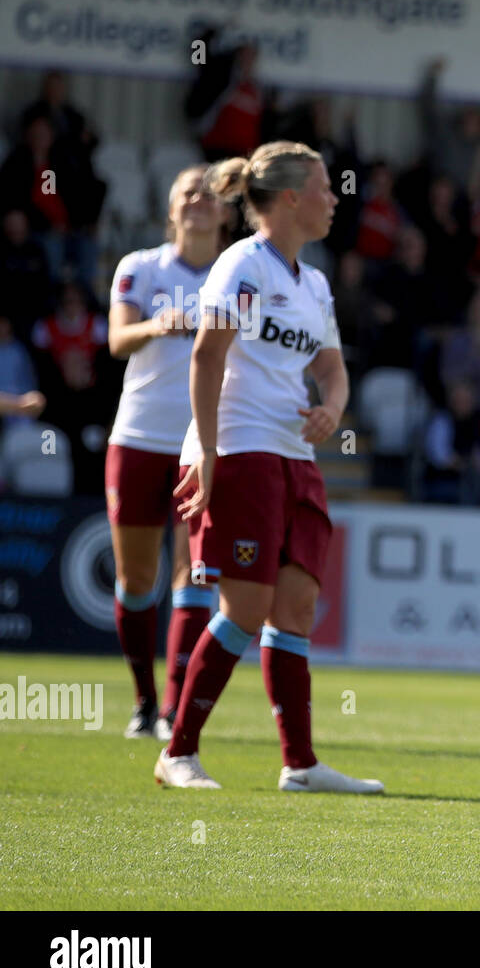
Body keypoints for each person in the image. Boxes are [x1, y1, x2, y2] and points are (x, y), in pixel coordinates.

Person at [158, 141, 382, 794]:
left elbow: (332, 370)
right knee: (246, 605)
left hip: (294, 454)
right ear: (290, 198)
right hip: (241, 446)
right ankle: (177, 752)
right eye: (324, 187)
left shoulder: (313, 283)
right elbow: (206, 358)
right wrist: (205, 449)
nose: (335, 199)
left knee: (298, 603)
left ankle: (301, 764)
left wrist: (332, 410)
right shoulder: (243, 266)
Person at [106, 165, 222, 740]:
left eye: (208, 192)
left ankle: (175, 710)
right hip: (139, 437)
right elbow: (115, 340)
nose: (199, 199)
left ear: (224, 212)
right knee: (135, 577)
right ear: (171, 209)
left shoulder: (238, 274)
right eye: (187, 192)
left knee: (193, 573)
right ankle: (144, 701)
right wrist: (157, 325)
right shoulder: (141, 267)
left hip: (200, 444)